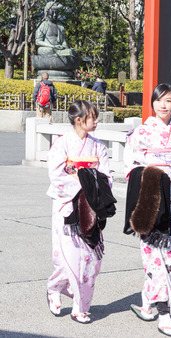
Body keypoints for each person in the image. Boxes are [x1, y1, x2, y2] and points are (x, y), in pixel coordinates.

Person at [123, 84, 171, 337]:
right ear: (152, 103)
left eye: (168, 100)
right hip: (153, 197)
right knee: (156, 255)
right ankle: (165, 314)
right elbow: (132, 168)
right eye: (159, 100)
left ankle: (148, 302)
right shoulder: (141, 133)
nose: (163, 105)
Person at [46, 100, 116, 324]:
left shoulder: (98, 147)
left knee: (90, 260)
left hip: (90, 207)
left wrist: (86, 181)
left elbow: (106, 177)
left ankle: (81, 305)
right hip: (67, 205)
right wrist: (86, 180)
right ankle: (54, 289)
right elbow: (57, 175)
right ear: (79, 120)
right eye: (92, 117)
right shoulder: (61, 144)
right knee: (66, 257)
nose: (96, 121)